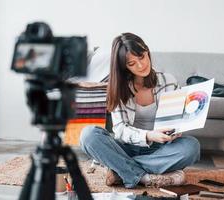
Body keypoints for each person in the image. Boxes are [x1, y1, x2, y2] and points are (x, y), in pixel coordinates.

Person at [80, 33, 200, 189]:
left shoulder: (168, 81)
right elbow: (120, 130)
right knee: (88, 135)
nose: (141, 65)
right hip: (125, 147)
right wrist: (149, 135)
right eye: (132, 63)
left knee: (191, 147)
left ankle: (121, 171)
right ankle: (145, 177)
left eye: (142, 57)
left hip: (159, 149)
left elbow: (177, 118)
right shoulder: (117, 88)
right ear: (124, 66)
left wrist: (178, 127)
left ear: (147, 51)